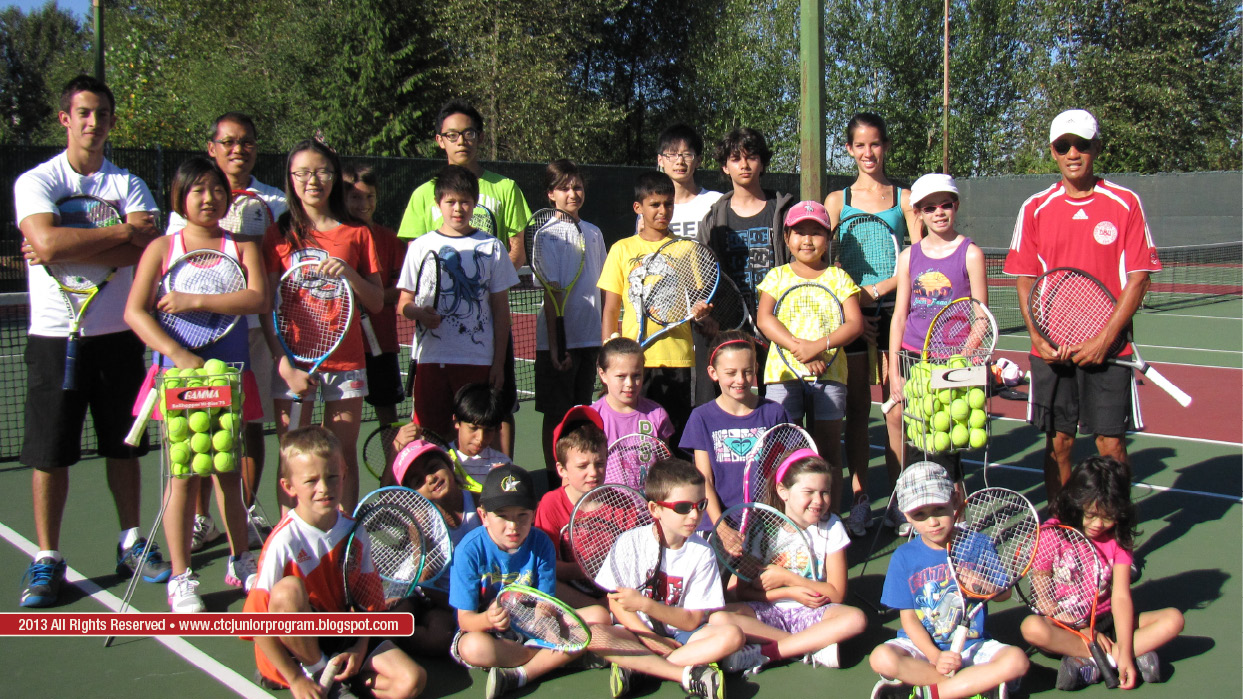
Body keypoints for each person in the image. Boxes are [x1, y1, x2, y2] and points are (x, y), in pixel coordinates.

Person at [15, 74, 169, 607]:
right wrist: (118, 235)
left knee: (124, 448)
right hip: (55, 338)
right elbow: (45, 242)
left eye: (102, 113)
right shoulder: (36, 181)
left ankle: (132, 542)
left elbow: (146, 251)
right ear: (65, 119)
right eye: (83, 113)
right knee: (49, 455)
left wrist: (69, 244)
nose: (93, 123)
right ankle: (47, 558)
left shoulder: (128, 184)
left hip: (119, 337)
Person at [124, 156, 268, 610]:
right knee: (182, 475)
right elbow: (135, 312)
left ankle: (240, 559)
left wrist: (195, 299)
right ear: (180, 197)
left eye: (216, 190)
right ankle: (182, 578)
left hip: (230, 376)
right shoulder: (160, 249)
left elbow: (258, 297)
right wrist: (179, 356)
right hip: (179, 380)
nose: (209, 199)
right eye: (197, 190)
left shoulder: (241, 247)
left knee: (228, 469)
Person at [1004, 109, 1163, 504]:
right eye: (1063, 145)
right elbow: (1025, 278)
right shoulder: (1035, 207)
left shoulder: (1125, 203)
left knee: (1110, 446)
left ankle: (1118, 536)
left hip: (1109, 351)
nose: (1072, 152)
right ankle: (1060, 530)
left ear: (1097, 148)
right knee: (1058, 444)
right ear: (1053, 153)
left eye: (1082, 144)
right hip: (1052, 349)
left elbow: (1139, 277)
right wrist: (1037, 336)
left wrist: (1103, 340)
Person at [166, 112, 288, 553]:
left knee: (248, 428)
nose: (239, 149)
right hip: (194, 344)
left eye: (248, 142)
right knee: (198, 442)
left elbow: (270, 273)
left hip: (254, 334)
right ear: (212, 147)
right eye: (229, 142)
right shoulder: (183, 217)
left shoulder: (274, 201)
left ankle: (247, 510)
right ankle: (201, 519)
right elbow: (170, 276)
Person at [243, 426, 426, 699]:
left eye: (332, 477)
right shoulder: (283, 541)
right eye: (311, 481)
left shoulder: (356, 531)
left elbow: (370, 604)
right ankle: (316, 673)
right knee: (288, 591)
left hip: (341, 631)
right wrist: (295, 680)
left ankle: (339, 680)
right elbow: (254, 623)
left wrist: (359, 647)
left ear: (344, 474)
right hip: (297, 642)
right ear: (288, 486)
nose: (324, 488)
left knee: (412, 680)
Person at [396, 100, 531, 457]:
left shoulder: (504, 189)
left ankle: (502, 485)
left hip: (483, 343)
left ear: (479, 137)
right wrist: (422, 311)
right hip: (433, 351)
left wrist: (489, 284)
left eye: (468, 133)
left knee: (493, 416)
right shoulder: (422, 196)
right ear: (440, 140)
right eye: (452, 134)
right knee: (432, 432)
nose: (461, 141)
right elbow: (416, 278)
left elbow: (515, 247)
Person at [260, 139, 385, 514]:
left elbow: (377, 301)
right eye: (302, 173)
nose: (312, 181)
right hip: (292, 364)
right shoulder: (277, 234)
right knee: (292, 458)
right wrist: (284, 364)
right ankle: (292, 544)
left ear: (334, 176)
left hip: (346, 363)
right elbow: (267, 307)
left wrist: (348, 273)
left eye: (322, 172)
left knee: (340, 457)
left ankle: (341, 540)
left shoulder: (357, 234)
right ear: (290, 178)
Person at [824, 113, 921, 539]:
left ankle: (900, 498)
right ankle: (861, 498)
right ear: (848, 149)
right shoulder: (835, 200)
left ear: (885, 147)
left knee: (898, 410)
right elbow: (825, 264)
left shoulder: (905, 198)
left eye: (875, 144)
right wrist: (853, 306)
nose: (868, 153)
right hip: (852, 320)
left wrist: (875, 294)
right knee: (859, 411)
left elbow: (919, 259)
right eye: (860, 145)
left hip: (896, 316)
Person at [1020, 455, 1183, 690]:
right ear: (1076, 503)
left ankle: (1099, 661)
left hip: (1107, 620)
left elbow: (1120, 596)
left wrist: (1124, 650)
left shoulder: (1118, 538)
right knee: (1032, 628)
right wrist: (1084, 631)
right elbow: (1044, 600)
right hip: (1067, 625)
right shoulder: (1050, 534)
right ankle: (1117, 656)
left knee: (1173, 620)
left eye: (1108, 516)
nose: (1098, 524)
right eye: (1091, 514)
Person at [868, 461, 1029, 699]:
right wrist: (935, 657)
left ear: (955, 501)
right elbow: (909, 619)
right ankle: (972, 686)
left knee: (1017, 661)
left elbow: (1003, 593)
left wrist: (981, 583)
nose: (932, 522)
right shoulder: (904, 557)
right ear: (906, 516)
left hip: (972, 645)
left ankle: (929, 692)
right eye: (920, 515)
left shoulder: (978, 544)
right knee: (881, 657)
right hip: (922, 649)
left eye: (938, 510)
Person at [592, 457, 748, 697]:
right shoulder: (629, 542)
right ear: (655, 509)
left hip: (682, 637)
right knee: (594, 634)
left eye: (701, 505)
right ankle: (687, 671)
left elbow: (691, 621)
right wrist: (650, 638)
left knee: (733, 635)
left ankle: (640, 668)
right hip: (636, 633)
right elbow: (615, 601)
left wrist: (645, 604)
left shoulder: (703, 552)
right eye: (683, 508)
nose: (694, 515)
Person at [885, 173, 988, 534]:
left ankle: (956, 516)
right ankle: (917, 515)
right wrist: (895, 371)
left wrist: (959, 360)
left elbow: (980, 318)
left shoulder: (970, 253)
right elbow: (900, 315)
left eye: (946, 204)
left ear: (956, 206)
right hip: (914, 360)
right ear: (919, 213)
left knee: (948, 445)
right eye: (930, 207)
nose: (939, 212)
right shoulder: (909, 256)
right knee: (916, 443)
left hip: (952, 364)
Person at [448, 464, 603, 699]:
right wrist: (488, 619)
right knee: (471, 647)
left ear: (534, 512)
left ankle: (532, 667)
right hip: (492, 634)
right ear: (483, 516)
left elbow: (545, 602)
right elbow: (466, 620)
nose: (513, 526)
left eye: (522, 515)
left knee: (599, 616)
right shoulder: (469, 551)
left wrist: (545, 620)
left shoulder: (540, 543)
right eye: (502, 516)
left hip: (533, 624)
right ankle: (554, 659)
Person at [707, 450, 868, 670]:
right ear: (783, 491)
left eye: (825, 492)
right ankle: (809, 645)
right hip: (768, 612)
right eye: (809, 492)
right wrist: (787, 592)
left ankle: (769, 652)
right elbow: (744, 592)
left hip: (813, 612)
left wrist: (787, 578)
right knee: (718, 619)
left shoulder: (832, 527)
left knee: (855, 619)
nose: (818, 501)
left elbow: (837, 594)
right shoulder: (761, 529)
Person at [755, 201, 865, 524]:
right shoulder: (777, 276)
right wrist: (798, 349)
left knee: (828, 452)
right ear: (786, 237)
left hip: (830, 378)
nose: (807, 240)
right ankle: (781, 523)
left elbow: (854, 323)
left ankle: (829, 524)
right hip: (782, 376)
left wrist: (819, 347)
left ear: (828, 238)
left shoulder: (838, 277)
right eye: (800, 232)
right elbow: (765, 318)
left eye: (816, 232)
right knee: (784, 452)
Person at [599, 171, 708, 444]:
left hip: (678, 360)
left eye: (668, 204)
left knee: (676, 440)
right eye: (655, 204)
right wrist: (608, 355)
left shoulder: (686, 249)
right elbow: (611, 309)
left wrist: (701, 312)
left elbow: (696, 301)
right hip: (636, 365)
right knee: (637, 440)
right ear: (638, 208)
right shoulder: (621, 250)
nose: (663, 211)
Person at [696, 127, 794, 405]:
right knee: (733, 406)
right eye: (736, 158)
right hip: (731, 329)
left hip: (779, 326)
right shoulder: (713, 219)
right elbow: (704, 275)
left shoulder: (783, 211)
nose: (744, 164)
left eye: (751, 157)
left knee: (778, 407)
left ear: (762, 163)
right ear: (725, 166)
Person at [533, 160, 607, 478]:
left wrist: (606, 337)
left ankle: (579, 477)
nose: (572, 193)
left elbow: (603, 288)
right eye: (564, 188)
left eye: (577, 186)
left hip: (591, 340)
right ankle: (554, 477)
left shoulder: (594, 232)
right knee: (555, 415)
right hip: (560, 343)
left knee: (581, 413)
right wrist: (554, 346)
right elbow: (553, 295)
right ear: (551, 194)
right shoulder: (546, 235)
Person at [679, 331, 788, 530]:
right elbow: (705, 480)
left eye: (747, 371)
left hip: (766, 525)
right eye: (730, 373)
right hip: (716, 525)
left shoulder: (774, 413)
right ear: (713, 373)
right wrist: (721, 527)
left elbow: (784, 471)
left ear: (756, 368)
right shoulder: (701, 417)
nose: (740, 380)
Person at [390, 438, 481, 656]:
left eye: (433, 469)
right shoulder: (420, 524)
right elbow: (426, 583)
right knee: (398, 621)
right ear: (412, 494)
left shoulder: (480, 504)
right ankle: (380, 639)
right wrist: (422, 540)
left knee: (443, 637)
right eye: (418, 481)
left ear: (449, 465)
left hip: (456, 597)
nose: (430, 479)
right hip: (420, 591)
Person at [342, 162, 406, 427]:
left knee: (388, 417)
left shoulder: (389, 239)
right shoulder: (333, 238)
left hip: (381, 343)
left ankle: (393, 467)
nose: (363, 204)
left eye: (369, 196)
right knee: (342, 417)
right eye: (355, 196)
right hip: (343, 346)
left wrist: (373, 295)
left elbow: (402, 289)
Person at [533, 405, 608, 608]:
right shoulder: (551, 504)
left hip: (615, 596)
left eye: (600, 463)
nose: (593, 472)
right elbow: (545, 567)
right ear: (562, 469)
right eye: (582, 466)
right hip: (568, 597)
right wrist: (585, 570)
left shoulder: (622, 503)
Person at [590, 337, 675, 446]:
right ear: (603, 375)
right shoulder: (592, 417)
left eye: (636, 375)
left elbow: (665, 458)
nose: (629, 383)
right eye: (621, 376)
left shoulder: (657, 415)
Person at [657, 123, 723, 242]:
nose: (680, 161)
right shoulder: (652, 206)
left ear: (698, 160)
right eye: (672, 155)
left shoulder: (717, 202)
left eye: (687, 155)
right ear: (660, 160)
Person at [447, 382, 513, 486]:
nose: (480, 438)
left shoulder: (502, 463)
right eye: (473, 428)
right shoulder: (440, 459)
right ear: (456, 422)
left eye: (488, 430)